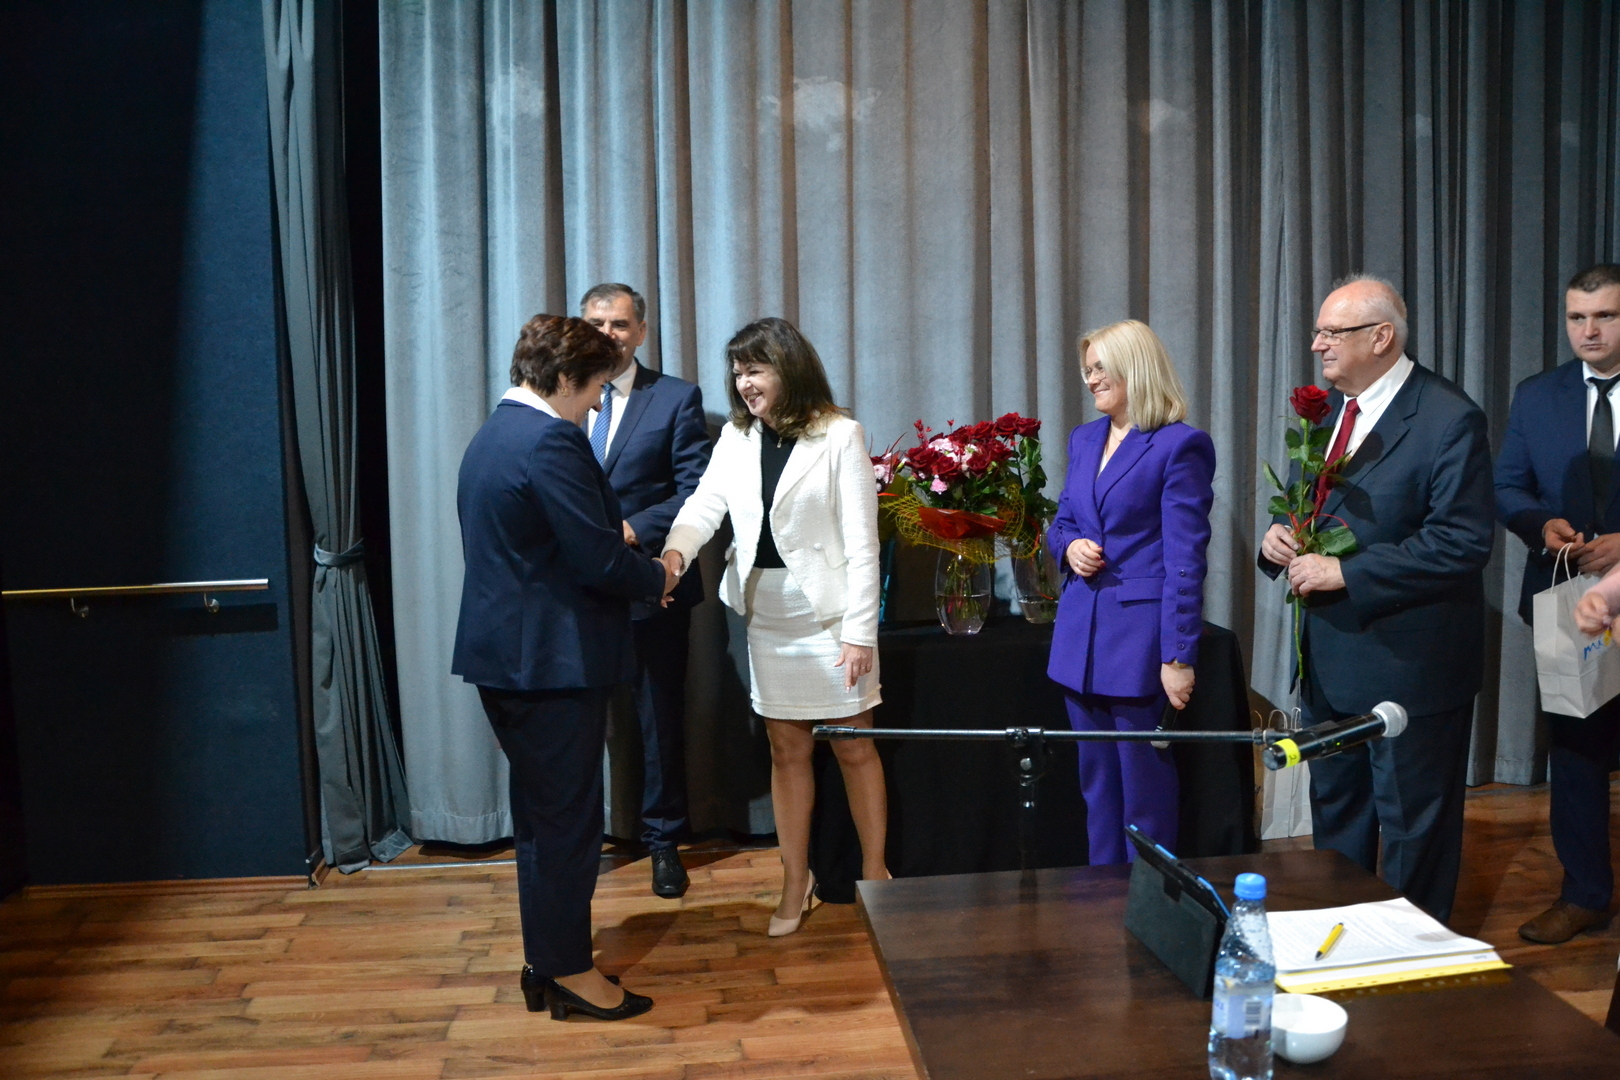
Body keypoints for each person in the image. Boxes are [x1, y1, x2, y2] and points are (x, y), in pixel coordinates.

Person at [452, 315, 674, 1021]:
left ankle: (547, 961)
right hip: (550, 665)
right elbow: (598, 557)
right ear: (566, 379)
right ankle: (572, 974)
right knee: (567, 826)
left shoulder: (495, 433)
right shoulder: (550, 440)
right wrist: (659, 576)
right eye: (597, 388)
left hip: (514, 660)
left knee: (543, 822)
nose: (599, 404)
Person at [1260, 275, 1495, 925]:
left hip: (1410, 671)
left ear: (1381, 337)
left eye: (1331, 333)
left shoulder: (1449, 418)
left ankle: (1411, 954)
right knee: (1338, 815)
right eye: (1318, 332)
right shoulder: (1331, 414)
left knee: (1413, 828)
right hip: (1330, 661)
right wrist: (1279, 537)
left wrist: (1348, 573)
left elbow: (1462, 542)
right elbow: (1312, 509)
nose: (1317, 345)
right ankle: (1342, 935)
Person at [659, 317, 887, 936]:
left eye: (755, 370)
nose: (744, 383)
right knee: (787, 752)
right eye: (738, 372)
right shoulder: (736, 437)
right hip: (770, 614)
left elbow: (863, 545)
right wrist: (674, 555)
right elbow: (704, 505)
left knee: (855, 749)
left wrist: (859, 633)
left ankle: (875, 873)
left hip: (832, 617)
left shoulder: (840, 434)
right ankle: (794, 879)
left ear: (789, 368)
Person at [1047, 319, 1216, 865]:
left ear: (1134, 367)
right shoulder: (1084, 438)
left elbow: (1185, 561)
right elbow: (1061, 523)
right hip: (1080, 642)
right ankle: (1101, 899)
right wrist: (1070, 547)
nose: (1091, 379)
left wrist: (1178, 656)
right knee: (1097, 790)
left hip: (1140, 646)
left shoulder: (1180, 445)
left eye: (1100, 368)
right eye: (1087, 370)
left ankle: (1151, 902)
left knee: (1145, 796)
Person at [1497, 263, 1620, 943]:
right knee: (1576, 754)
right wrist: (1540, 524)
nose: (1589, 330)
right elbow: (1507, 486)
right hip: (1566, 596)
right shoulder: (1538, 395)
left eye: (1605, 316)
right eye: (1577, 317)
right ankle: (1584, 895)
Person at [581, 283, 712, 899]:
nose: (607, 334)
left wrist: (635, 529)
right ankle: (579, 841)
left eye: (618, 324)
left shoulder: (676, 398)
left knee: (658, 722)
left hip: (650, 584)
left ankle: (663, 843)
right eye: (596, 323)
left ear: (640, 332)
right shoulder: (560, 396)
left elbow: (696, 488)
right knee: (577, 724)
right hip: (576, 592)